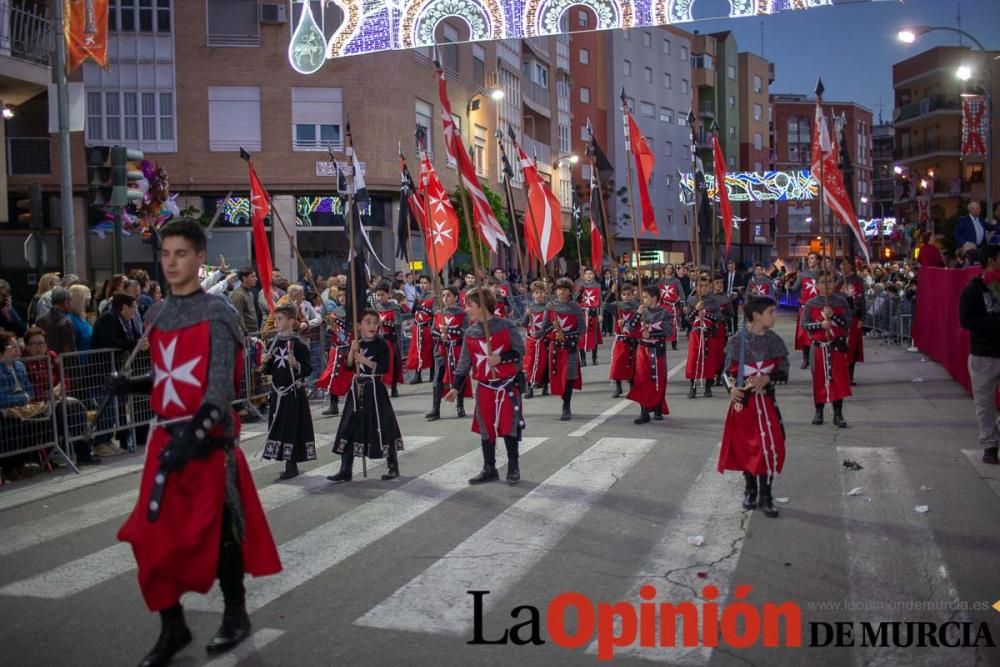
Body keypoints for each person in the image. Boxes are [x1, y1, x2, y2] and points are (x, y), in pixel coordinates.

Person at [112, 219, 281, 665]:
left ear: (200, 258)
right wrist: (129, 385)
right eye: (165, 254)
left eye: (180, 254)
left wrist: (192, 437)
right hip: (165, 441)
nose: (171, 263)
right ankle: (173, 626)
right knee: (149, 536)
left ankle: (235, 614)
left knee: (222, 534)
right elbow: (168, 376)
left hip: (207, 443)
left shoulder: (220, 313)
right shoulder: (158, 316)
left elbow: (217, 387)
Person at [716, 296, 789, 518]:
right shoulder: (738, 341)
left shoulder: (774, 341)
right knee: (746, 447)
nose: (773, 316)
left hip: (766, 403)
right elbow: (726, 372)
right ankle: (750, 490)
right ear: (756, 316)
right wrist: (732, 390)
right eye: (770, 312)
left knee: (769, 446)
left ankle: (766, 496)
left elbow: (784, 373)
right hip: (743, 405)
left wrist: (767, 379)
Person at [444, 287, 525, 484]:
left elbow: (520, 350)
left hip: (507, 386)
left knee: (508, 426)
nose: (466, 308)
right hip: (486, 388)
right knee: (486, 428)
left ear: (482, 306)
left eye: (469, 304)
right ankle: (489, 468)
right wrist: (455, 387)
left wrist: (501, 359)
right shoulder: (470, 332)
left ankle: (513, 466)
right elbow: (464, 363)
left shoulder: (506, 326)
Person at [326, 309, 404, 483]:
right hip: (356, 389)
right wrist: (352, 355)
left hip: (375, 389)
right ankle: (345, 468)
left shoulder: (381, 344)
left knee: (383, 425)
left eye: (375, 323)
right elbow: (348, 367)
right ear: (359, 325)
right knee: (349, 426)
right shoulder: (356, 344)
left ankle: (392, 465)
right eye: (368, 322)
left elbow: (383, 367)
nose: (372, 326)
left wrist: (365, 360)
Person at [261, 302, 315, 481]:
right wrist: (265, 362)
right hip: (278, 392)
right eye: (275, 319)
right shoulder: (273, 342)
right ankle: (283, 457)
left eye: (280, 319)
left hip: (293, 393)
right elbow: (269, 370)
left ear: (291, 321)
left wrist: (296, 365)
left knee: (292, 427)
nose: (276, 322)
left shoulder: (299, 343)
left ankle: (292, 463)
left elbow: (307, 369)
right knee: (278, 426)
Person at [958, 244, 1000, 464]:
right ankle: (989, 446)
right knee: (985, 404)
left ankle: (996, 434)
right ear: (992, 260)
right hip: (983, 354)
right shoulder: (974, 288)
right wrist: (993, 324)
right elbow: (966, 320)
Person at [802, 271, 852, 428]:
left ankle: (838, 414)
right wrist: (821, 325)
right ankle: (819, 412)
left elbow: (847, 323)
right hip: (818, 348)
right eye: (823, 282)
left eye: (830, 281)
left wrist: (834, 316)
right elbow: (805, 325)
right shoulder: (811, 304)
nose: (826, 285)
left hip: (836, 346)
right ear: (817, 285)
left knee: (838, 380)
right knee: (819, 380)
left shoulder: (841, 302)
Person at [628, 285, 672, 423]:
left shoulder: (664, 312)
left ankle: (658, 408)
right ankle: (644, 412)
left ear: (654, 298)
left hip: (657, 350)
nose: (644, 300)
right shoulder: (641, 311)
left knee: (658, 379)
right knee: (641, 379)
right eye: (643, 297)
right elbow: (630, 328)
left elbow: (669, 333)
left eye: (646, 297)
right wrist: (637, 314)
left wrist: (651, 333)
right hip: (642, 350)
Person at [426, 286, 469, 420]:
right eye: (443, 295)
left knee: (458, 378)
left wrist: (449, 331)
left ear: (456, 298)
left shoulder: (462, 314)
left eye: (448, 295)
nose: (445, 298)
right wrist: (440, 335)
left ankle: (460, 405)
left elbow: (465, 331)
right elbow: (432, 330)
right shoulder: (439, 313)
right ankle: (435, 408)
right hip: (441, 350)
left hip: (457, 350)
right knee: (437, 379)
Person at [548, 278, 584, 421]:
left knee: (568, 377)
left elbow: (582, 329)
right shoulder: (550, 306)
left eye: (564, 289)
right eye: (558, 289)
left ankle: (566, 405)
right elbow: (545, 327)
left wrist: (566, 334)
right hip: (556, 348)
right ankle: (563, 398)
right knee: (558, 377)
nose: (561, 292)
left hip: (570, 348)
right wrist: (550, 329)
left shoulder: (575, 308)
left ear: (570, 292)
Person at [685, 275, 722, 398]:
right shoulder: (691, 300)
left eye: (706, 286)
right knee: (693, 359)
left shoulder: (714, 300)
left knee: (709, 360)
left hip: (709, 334)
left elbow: (719, 318)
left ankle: (708, 387)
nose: (704, 288)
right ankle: (693, 387)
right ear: (696, 287)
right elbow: (687, 319)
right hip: (695, 334)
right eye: (701, 286)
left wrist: (706, 314)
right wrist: (695, 310)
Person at [316, 305, 353, 417]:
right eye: (340, 295)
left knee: (351, 377)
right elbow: (329, 331)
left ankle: (354, 404)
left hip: (350, 348)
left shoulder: (356, 311)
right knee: (333, 376)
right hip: (337, 348)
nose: (343, 298)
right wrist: (330, 326)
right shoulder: (335, 312)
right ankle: (333, 405)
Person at [786, 252, 821, 369]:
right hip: (805, 307)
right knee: (803, 334)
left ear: (818, 260)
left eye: (812, 258)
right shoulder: (802, 274)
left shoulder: (822, 274)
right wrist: (787, 287)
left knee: (818, 333)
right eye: (808, 259)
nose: (809, 261)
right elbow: (794, 288)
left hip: (819, 307)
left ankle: (818, 357)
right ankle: (806, 359)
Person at [609, 282, 640, 398]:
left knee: (631, 364)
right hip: (620, 339)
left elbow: (640, 322)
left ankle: (632, 385)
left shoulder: (637, 307)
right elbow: (604, 304)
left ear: (633, 294)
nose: (626, 297)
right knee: (617, 363)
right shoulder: (617, 306)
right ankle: (618, 387)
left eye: (629, 294)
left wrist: (626, 322)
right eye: (624, 294)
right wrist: (612, 293)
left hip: (632, 340)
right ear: (621, 295)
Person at [521, 281, 550, 400]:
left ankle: (544, 385)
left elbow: (550, 324)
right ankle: (530, 386)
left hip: (544, 339)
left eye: (541, 292)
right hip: (531, 339)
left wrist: (541, 332)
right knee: (530, 362)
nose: (539, 295)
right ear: (532, 295)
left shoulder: (548, 307)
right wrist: (526, 314)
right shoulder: (530, 308)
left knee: (544, 363)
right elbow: (523, 324)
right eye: (536, 293)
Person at [839, 260, 866, 385]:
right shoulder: (838, 280)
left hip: (854, 317)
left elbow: (862, 300)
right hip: (840, 318)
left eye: (845, 263)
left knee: (852, 347)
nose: (843, 266)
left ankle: (850, 376)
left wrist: (862, 318)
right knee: (840, 347)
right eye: (841, 264)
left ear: (850, 265)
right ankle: (841, 374)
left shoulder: (857, 280)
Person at [374, 282, 403, 398]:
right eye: (378, 295)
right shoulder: (375, 308)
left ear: (388, 294)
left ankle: (394, 386)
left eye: (382, 295)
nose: (380, 297)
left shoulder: (394, 307)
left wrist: (384, 323)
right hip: (378, 339)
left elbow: (398, 323)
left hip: (390, 339)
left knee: (394, 363)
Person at [406, 276, 435, 385]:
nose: (423, 285)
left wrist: (423, 308)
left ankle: (433, 373)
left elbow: (435, 313)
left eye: (425, 283)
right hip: (418, 327)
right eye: (421, 283)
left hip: (428, 327)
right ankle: (417, 375)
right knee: (417, 351)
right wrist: (415, 308)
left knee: (430, 351)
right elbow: (413, 313)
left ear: (430, 284)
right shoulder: (418, 297)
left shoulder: (434, 297)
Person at [35, 287, 76, 354]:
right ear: (66, 301)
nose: (71, 304)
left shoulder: (40, 320)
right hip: (61, 362)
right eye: (70, 300)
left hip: (45, 360)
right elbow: (69, 349)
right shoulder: (65, 322)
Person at [575, 268, 603, 366]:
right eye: (586, 273)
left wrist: (600, 314)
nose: (588, 275)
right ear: (583, 275)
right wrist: (580, 291)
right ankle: (583, 360)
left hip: (593, 313)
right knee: (582, 338)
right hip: (583, 314)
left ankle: (594, 358)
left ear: (593, 275)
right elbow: (575, 300)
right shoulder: (579, 286)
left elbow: (600, 302)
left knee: (594, 337)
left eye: (590, 273)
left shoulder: (597, 286)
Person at [657, 264, 683, 351]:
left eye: (670, 268)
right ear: (664, 270)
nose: (668, 270)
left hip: (672, 305)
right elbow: (656, 293)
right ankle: (662, 342)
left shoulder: (676, 281)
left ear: (672, 270)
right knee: (662, 324)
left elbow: (681, 293)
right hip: (662, 305)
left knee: (673, 324)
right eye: (667, 268)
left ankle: (674, 342)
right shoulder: (660, 281)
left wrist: (680, 301)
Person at [230, 268, 259, 335]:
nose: (256, 279)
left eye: (255, 276)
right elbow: (238, 316)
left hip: (254, 332)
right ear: (244, 278)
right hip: (246, 334)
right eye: (252, 276)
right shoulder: (238, 295)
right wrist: (245, 332)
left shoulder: (250, 294)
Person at [66, 285, 93, 351]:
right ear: (78, 300)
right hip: (81, 359)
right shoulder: (70, 320)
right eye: (86, 300)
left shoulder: (81, 318)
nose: (88, 304)